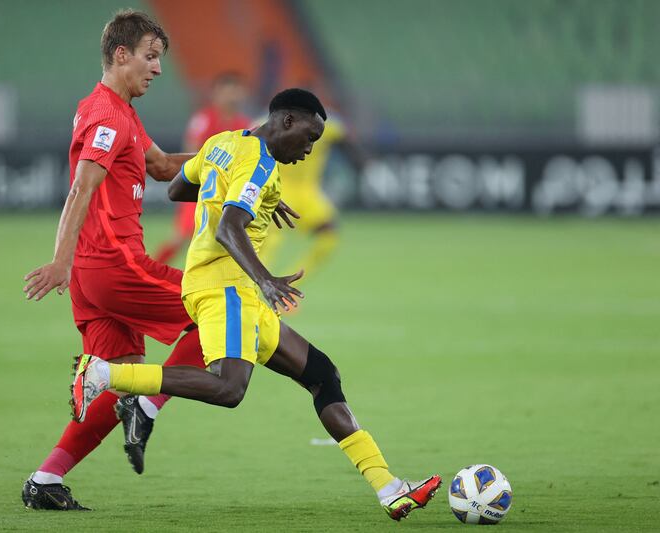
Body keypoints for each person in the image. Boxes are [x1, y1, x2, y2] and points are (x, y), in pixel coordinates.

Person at [72, 88, 441, 522]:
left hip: (228, 287)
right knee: (229, 388)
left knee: (323, 375)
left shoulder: (225, 142)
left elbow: (176, 188)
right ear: (286, 121)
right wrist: (265, 278)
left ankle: (389, 488)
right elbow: (230, 227)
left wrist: (260, 200)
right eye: (308, 137)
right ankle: (101, 374)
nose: (309, 150)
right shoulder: (262, 164)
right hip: (227, 285)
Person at [20, 10, 208, 510]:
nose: (158, 69)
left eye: (160, 59)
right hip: (114, 265)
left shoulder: (115, 110)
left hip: (93, 275)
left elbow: (166, 167)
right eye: (150, 57)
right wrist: (59, 260)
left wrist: (238, 158)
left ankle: (46, 479)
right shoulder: (107, 116)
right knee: (225, 308)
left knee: (121, 372)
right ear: (121, 54)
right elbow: (83, 186)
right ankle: (146, 406)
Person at [153, 72, 250, 265]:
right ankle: (151, 272)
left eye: (235, 92)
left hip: (226, 193)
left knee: (226, 241)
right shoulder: (205, 119)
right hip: (198, 189)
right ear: (216, 93)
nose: (231, 96)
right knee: (181, 236)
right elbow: (191, 150)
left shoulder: (245, 125)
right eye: (227, 91)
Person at [260, 114, 348, 278]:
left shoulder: (327, 125)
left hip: (308, 192)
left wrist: (364, 162)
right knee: (268, 240)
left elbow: (346, 140)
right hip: (279, 186)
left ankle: (290, 285)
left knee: (328, 237)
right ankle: (253, 287)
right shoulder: (270, 121)